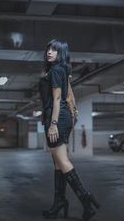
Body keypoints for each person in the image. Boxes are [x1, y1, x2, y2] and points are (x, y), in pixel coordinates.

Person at [38, 39, 101, 220]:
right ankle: (59, 202)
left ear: (61, 53)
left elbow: (58, 99)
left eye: (54, 50)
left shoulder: (57, 70)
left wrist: (53, 124)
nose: (49, 52)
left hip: (57, 117)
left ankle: (85, 197)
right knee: (58, 163)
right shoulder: (56, 70)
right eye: (48, 49)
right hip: (60, 117)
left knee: (63, 162)